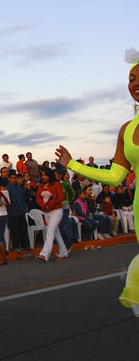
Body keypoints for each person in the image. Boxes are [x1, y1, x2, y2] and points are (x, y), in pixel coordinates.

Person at [56, 48, 139, 315]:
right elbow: (115, 176)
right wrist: (73, 165)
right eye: (132, 78)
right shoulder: (127, 129)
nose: (135, 83)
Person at [36, 168, 68, 262]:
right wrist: (44, 206)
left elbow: (61, 197)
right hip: (46, 212)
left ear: (50, 175)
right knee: (55, 232)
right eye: (42, 175)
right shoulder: (41, 185)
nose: (43, 177)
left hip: (56, 211)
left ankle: (44, 254)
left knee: (50, 232)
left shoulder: (56, 184)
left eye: (45, 175)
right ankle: (64, 252)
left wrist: (50, 204)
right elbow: (38, 199)